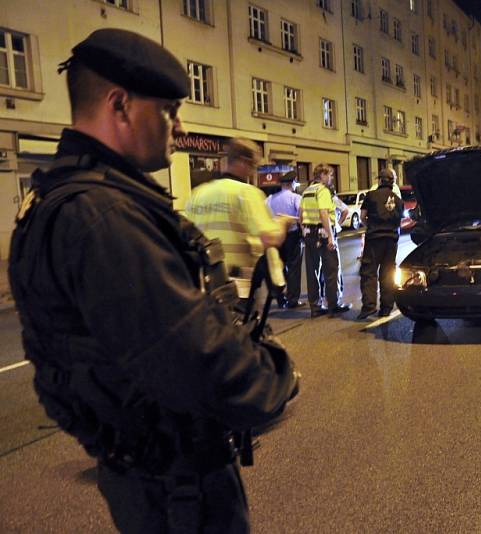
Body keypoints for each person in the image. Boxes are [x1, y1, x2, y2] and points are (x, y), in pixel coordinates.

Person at [8, 29, 298, 533]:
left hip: (150, 472)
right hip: (177, 487)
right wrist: (279, 378)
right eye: (168, 109)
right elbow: (195, 357)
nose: (178, 126)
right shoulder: (103, 217)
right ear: (120, 105)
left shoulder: (72, 197)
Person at [186, 138, 292, 299]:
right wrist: (283, 222)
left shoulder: (198, 193)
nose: (254, 171)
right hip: (237, 288)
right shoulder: (246, 193)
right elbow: (270, 238)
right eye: (254, 166)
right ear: (243, 161)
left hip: (204, 287)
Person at [300, 164, 351, 317]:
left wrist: (304, 231)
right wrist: (330, 235)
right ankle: (333, 304)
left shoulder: (307, 191)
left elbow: (300, 215)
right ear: (322, 175)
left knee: (312, 271)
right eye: (329, 175)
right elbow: (323, 213)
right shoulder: (322, 191)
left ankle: (315, 306)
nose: (331, 178)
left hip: (309, 235)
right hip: (323, 234)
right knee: (332, 270)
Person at [357, 169, 404, 319]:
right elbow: (399, 220)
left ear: (380, 180)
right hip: (391, 240)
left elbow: (363, 217)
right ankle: (386, 308)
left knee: (369, 272)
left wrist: (370, 225)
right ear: (392, 182)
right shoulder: (398, 200)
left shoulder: (371, 196)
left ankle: (369, 306)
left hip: (374, 239)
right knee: (388, 273)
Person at [268, 171, 304, 308]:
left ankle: (280, 297)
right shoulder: (296, 198)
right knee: (294, 267)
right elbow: (301, 218)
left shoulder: (270, 199)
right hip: (292, 236)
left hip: (276, 236)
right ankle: (293, 299)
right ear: (292, 183)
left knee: (279, 267)